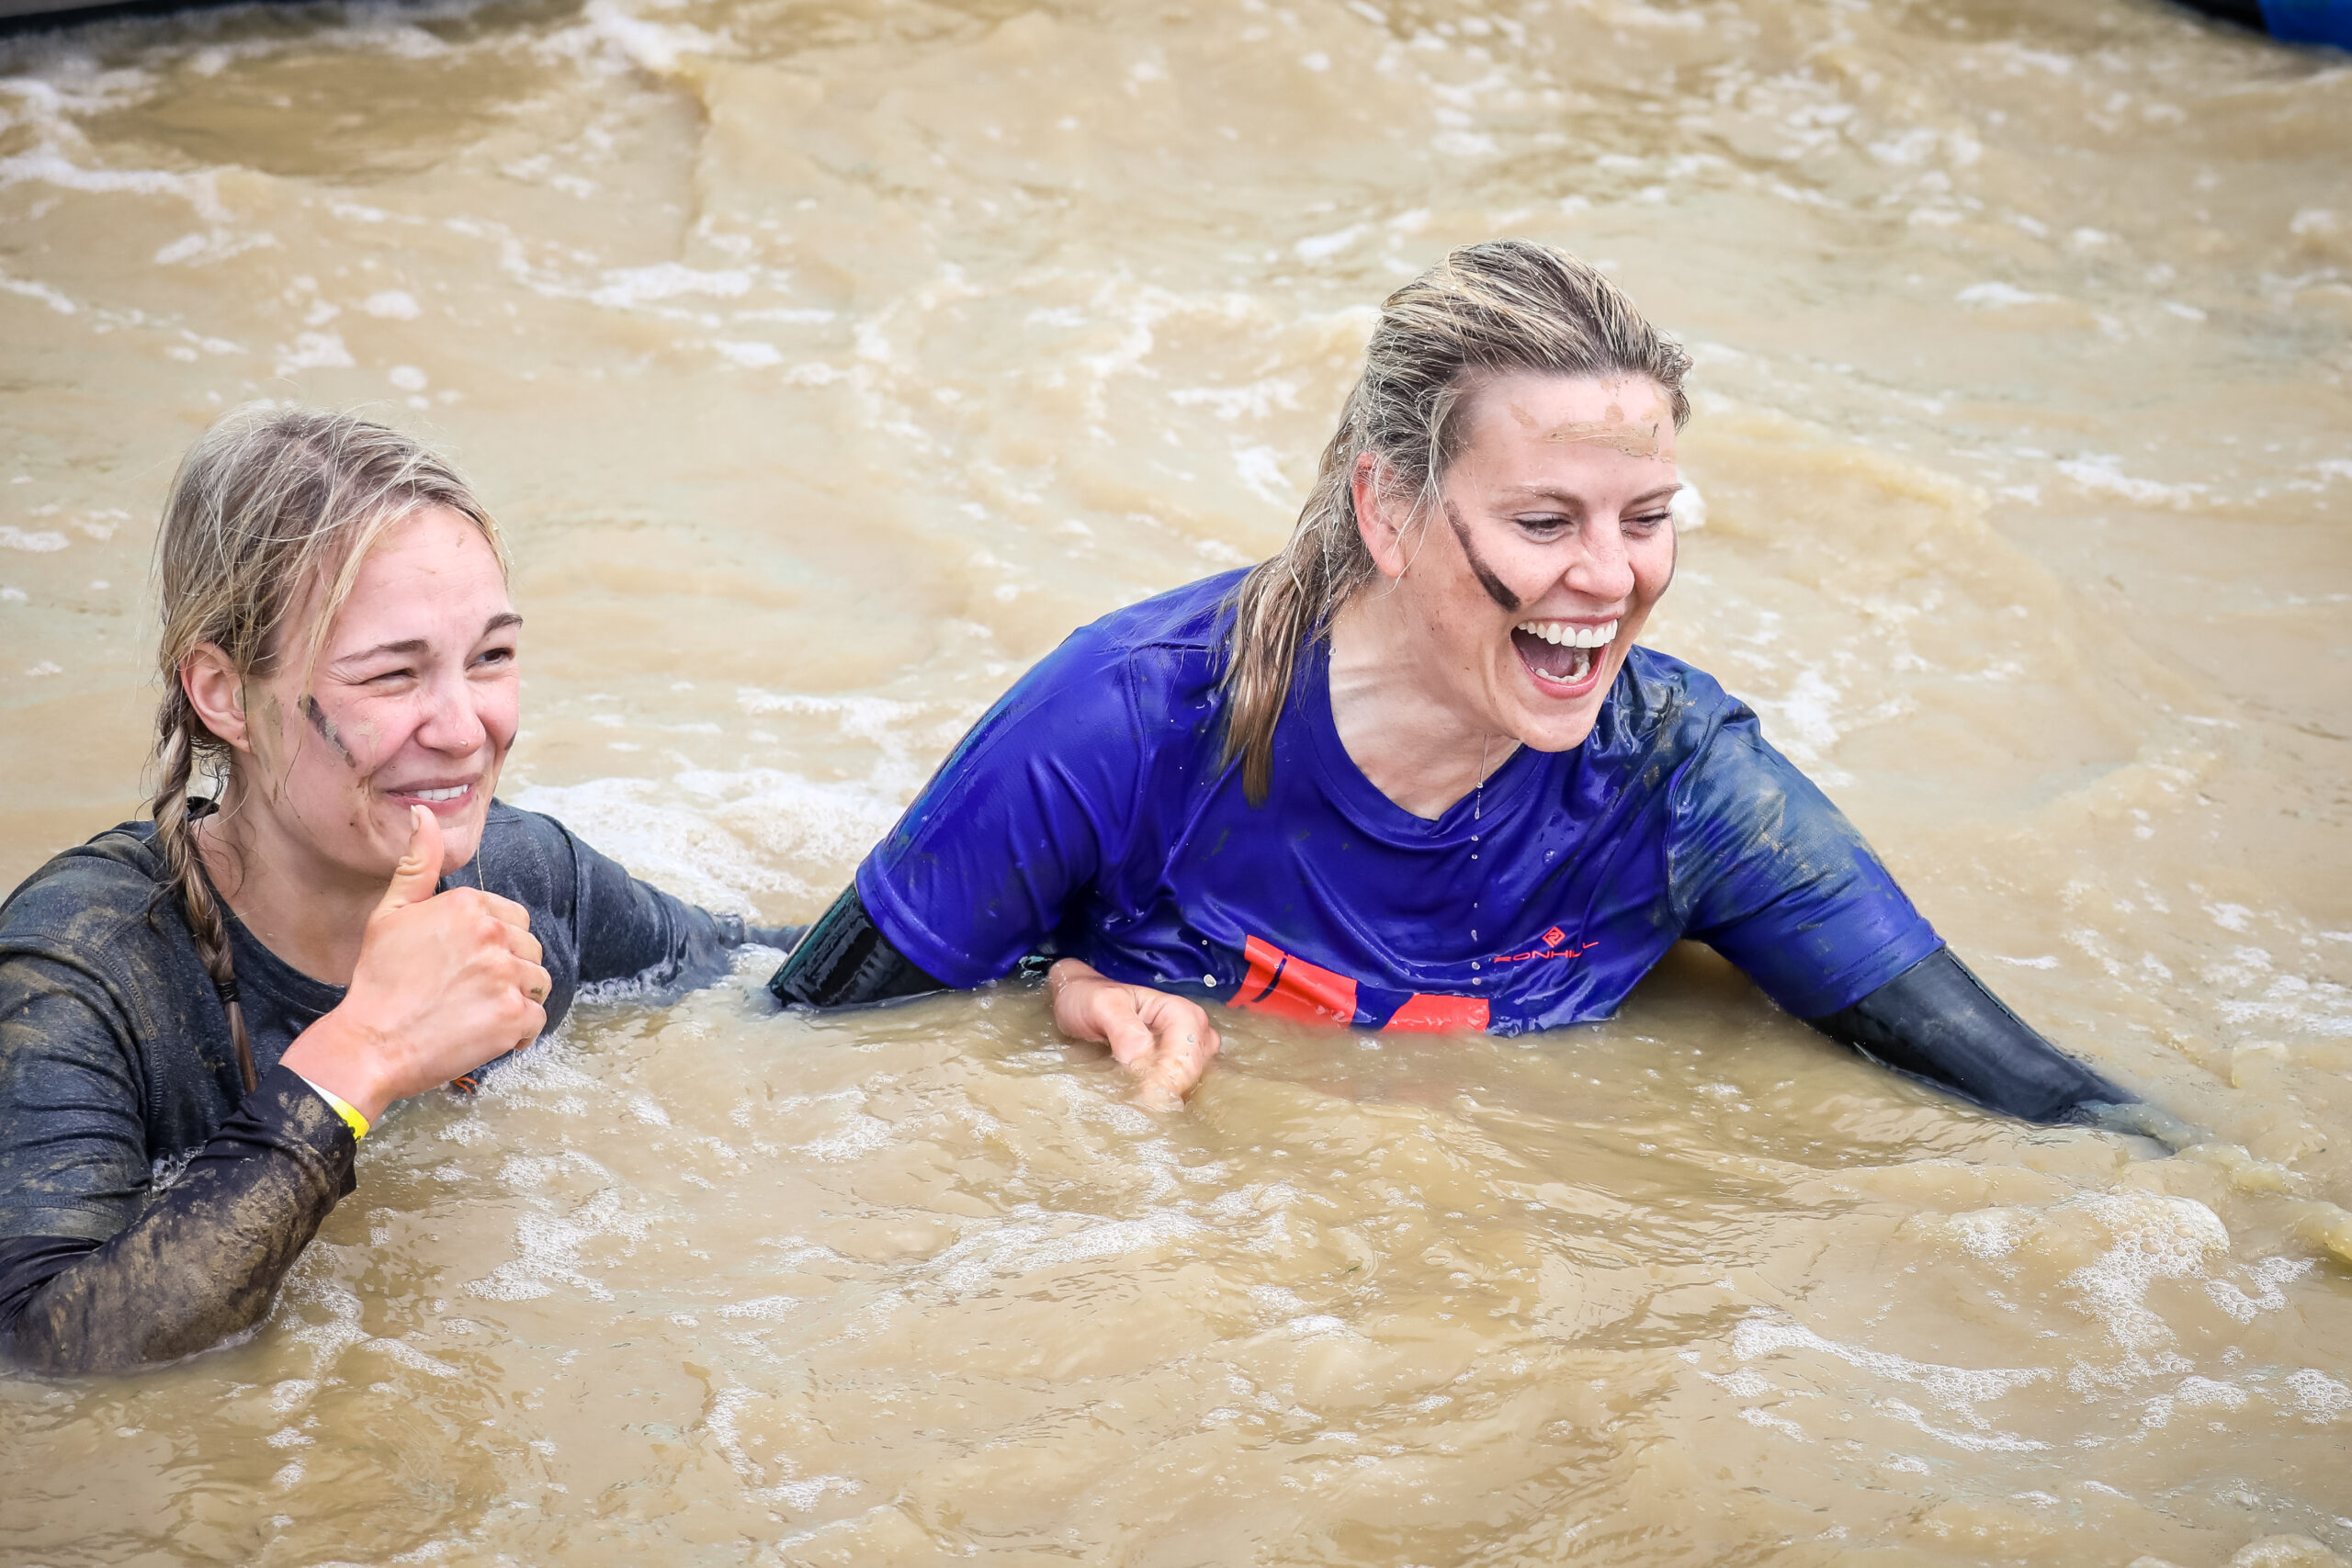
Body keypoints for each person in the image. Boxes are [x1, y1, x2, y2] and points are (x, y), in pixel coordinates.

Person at [771, 239, 2130, 1124]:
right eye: (1545, 523)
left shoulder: (1685, 787)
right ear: (1388, 509)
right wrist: (1058, 997)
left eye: (1646, 517)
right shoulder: (1126, 720)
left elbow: (2043, 1103)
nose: (1610, 579)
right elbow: (786, 1053)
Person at [0, 410, 797, 1374]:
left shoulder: (526, 877)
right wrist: (361, 1054)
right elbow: (53, 1361)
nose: (467, 730)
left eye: (491, 657)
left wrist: (1030, 954)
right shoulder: (81, 972)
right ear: (220, 691)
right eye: (393, 675)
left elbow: (770, 981)